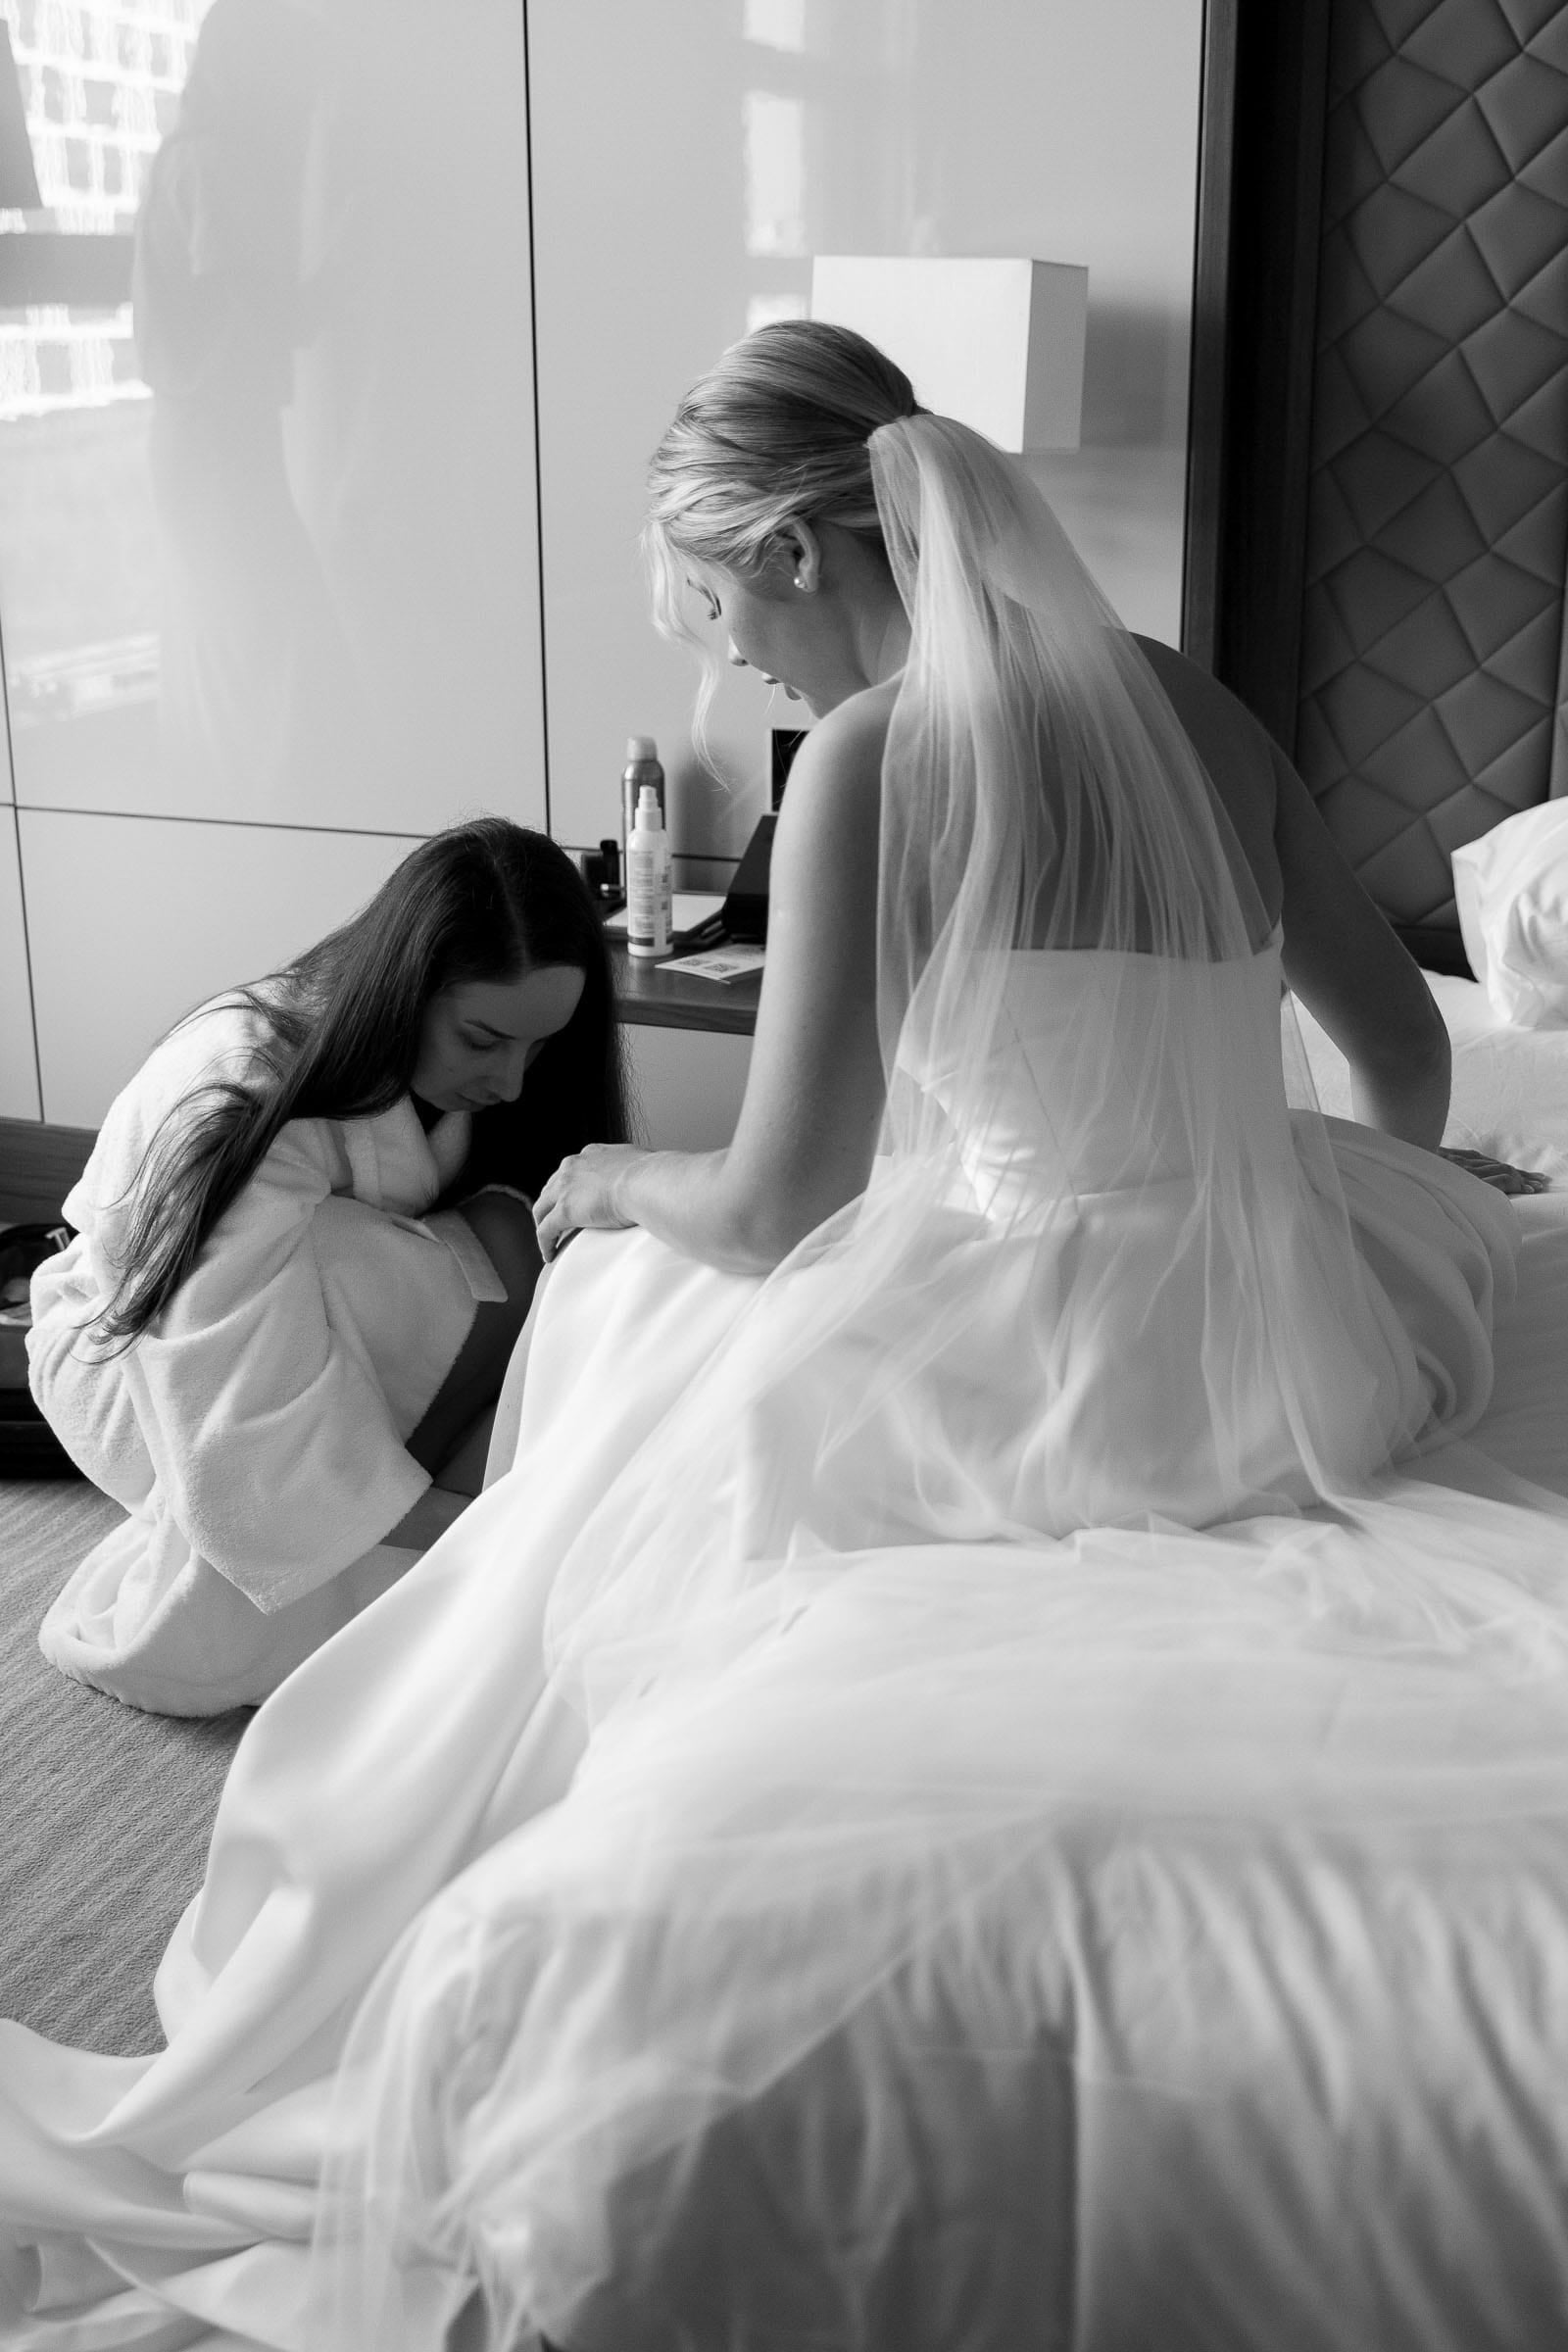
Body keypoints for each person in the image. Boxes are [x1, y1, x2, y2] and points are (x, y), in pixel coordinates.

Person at [2, 324, 1567, 2350]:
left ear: (802, 548)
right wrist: (1266, 1189)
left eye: (713, 595)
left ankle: (446, 1789)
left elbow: (780, 1202)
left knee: (633, 1304)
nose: (723, 657)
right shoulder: (1195, 705)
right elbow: (1395, 1068)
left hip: (1043, 1364)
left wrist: (597, 1191)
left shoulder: (877, 767)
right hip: (1277, 1350)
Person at [27, 816, 627, 1715]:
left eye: (538, 1048)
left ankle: (379, 1501)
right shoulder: (240, 1083)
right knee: (466, 1258)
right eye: (484, 1039)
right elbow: (220, 1376)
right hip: (142, 1359)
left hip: (295, 1330)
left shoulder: (447, 1074)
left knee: (541, 1248)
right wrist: (462, 1537)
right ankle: (344, 1529)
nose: (510, 1082)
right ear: (407, 986)